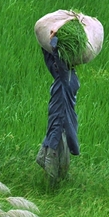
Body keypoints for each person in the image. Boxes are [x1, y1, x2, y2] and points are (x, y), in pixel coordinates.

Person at [35, 32, 80, 182]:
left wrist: (53, 41)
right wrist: (44, 45)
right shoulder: (62, 76)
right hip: (55, 119)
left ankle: (52, 188)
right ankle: (55, 181)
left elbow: (57, 60)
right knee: (44, 157)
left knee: (51, 160)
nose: (55, 65)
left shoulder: (67, 77)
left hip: (60, 122)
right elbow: (51, 62)